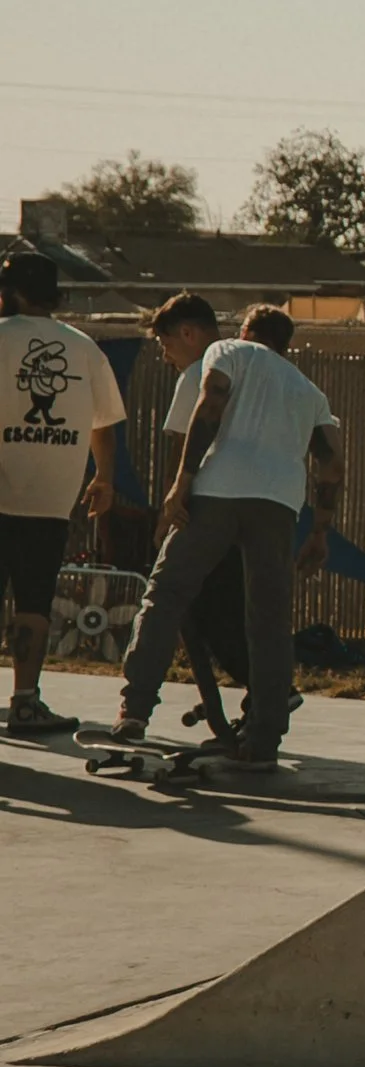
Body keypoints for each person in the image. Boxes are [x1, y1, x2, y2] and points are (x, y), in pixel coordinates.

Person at [112, 305, 342, 769]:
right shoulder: (308, 390)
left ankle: (134, 711)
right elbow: (332, 463)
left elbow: (212, 402)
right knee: (269, 620)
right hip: (278, 505)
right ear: (286, 344)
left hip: (218, 491)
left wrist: (183, 481)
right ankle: (263, 740)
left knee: (167, 592)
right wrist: (319, 531)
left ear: (246, 331)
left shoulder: (228, 350)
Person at [0, 250, 124, 738]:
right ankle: (25, 703)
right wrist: (105, 478)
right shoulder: (83, 347)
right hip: (48, 501)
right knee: (33, 603)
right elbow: (106, 423)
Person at [147, 293, 252, 730]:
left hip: (206, 505)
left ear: (188, 333)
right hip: (252, 503)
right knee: (237, 602)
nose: (165, 356)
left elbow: (181, 447)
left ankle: (264, 690)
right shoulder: (248, 367)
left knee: (201, 605)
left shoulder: (198, 373)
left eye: (166, 344)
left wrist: (171, 510)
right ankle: (259, 691)